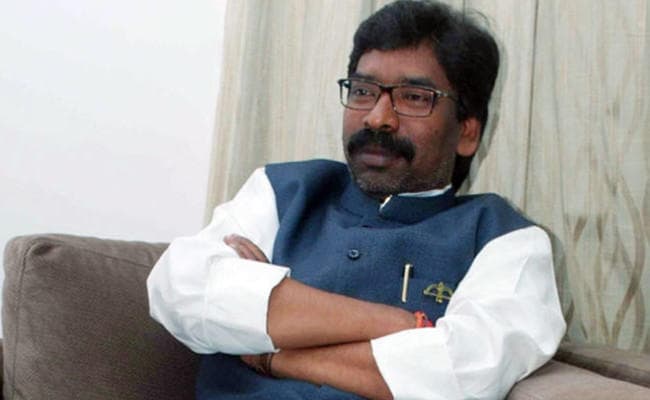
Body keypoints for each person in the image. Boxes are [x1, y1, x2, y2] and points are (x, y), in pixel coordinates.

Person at [147, 1, 566, 399]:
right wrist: (400, 325)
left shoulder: (506, 239)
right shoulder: (284, 191)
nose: (377, 117)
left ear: (468, 132)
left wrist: (274, 352)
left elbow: (466, 370)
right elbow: (181, 288)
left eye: (414, 97)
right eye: (363, 90)